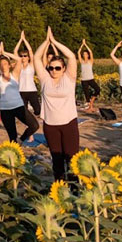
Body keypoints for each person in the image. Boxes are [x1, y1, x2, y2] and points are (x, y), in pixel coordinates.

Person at [34, 28, 79, 182]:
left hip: (69, 124)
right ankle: (59, 189)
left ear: (64, 68)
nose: (54, 70)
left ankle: (75, 190)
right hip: (50, 125)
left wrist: (54, 41)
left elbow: (71, 56)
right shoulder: (45, 79)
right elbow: (36, 57)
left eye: (58, 67)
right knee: (57, 160)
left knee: (72, 159)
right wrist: (46, 41)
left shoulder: (69, 78)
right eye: (51, 68)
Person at [0, 42, 38, 143]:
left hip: (18, 107)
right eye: (1, 64)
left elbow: (19, 60)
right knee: (12, 138)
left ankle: (21, 140)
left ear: (9, 65)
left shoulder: (15, 75)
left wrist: (4, 52)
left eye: (5, 63)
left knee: (34, 125)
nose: (3, 66)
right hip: (5, 110)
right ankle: (15, 151)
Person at [14, 31, 41, 118]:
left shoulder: (31, 65)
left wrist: (24, 39)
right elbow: (15, 51)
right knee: (23, 110)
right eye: (21, 56)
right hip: (21, 90)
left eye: (25, 56)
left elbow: (30, 50)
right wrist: (19, 40)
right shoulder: (19, 65)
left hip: (31, 90)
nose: (23, 57)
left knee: (37, 110)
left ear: (28, 57)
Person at [77, 40, 101, 112]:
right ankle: (89, 106)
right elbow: (78, 52)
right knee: (86, 94)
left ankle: (92, 100)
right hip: (84, 80)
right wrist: (82, 45)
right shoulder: (81, 61)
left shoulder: (90, 61)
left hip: (90, 79)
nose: (84, 55)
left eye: (85, 54)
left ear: (88, 55)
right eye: (83, 54)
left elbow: (91, 52)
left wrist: (85, 44)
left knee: (98, 89)